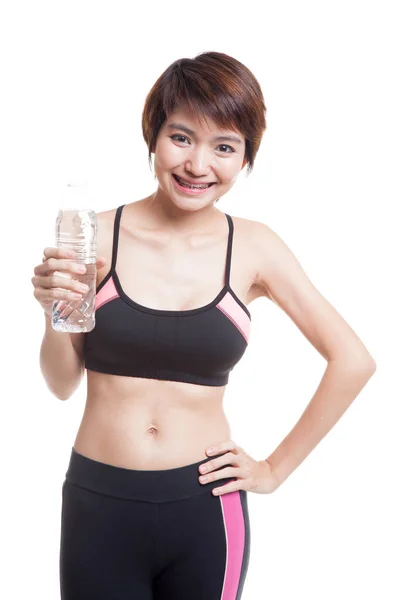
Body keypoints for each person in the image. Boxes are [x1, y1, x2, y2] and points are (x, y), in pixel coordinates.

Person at [32, 51, 376, 600]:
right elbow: (61, 383)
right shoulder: (92, 234)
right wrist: (54, 312)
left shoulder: (254, 247)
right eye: (182, 137)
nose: (198, 165)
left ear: (245, 159)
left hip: (206, 508)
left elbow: (353, 359)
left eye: (224, 147)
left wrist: (273, 470)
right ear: (153, 136)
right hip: (99, 500)